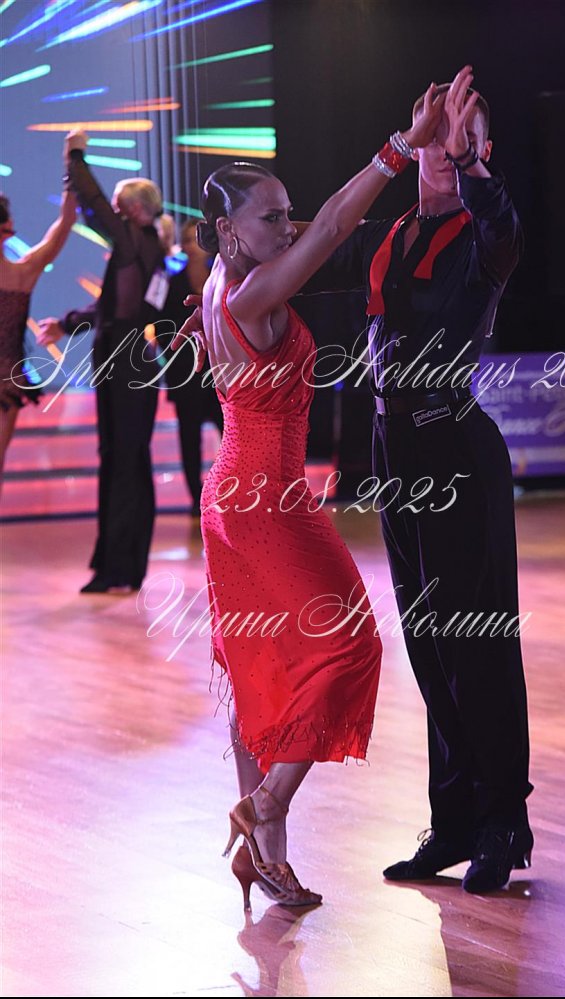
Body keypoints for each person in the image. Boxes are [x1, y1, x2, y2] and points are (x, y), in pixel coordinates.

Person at [173, 84, 445, 908]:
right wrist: (400, 147)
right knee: (352, 644)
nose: (286, 226)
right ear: (228, 230)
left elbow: (301, 242)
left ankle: (267, 854)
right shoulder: (250, 294)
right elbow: (332, 228)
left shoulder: (221, 287)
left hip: (236, 498)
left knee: (261, 668)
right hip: (266, 502)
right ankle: (265, 804)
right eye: (269, 217)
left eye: (285, 212)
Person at [298, 66, 534, 894]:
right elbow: (313, 242)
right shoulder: (393, 232)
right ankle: (455, 819)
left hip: (456, 447)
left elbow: (503, 225)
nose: (440, 151)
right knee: (429, 645)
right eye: (432, 140)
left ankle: (503, 821)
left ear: (480, 151)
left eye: (457, 142)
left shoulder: (484, 233)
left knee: (477, 644)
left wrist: (467, 164)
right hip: (394, 450)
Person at [38, 131, 167, 593]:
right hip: (127, 361)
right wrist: (65, 324)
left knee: (123, 461)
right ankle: (121, 566)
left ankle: (119, 568)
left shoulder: (136, 241)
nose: (112, 213)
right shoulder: (141, 247)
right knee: (122, 459)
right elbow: (109, 309)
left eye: (119, 206)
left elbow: (92, 206)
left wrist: (75, 154)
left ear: (134, 210)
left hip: (127, 364)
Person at [0, 167, 77, 483]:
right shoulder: (22, 273)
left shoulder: (22, 271)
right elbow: (66, 221)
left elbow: (65, 223)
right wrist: (73, 166)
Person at [160, 219, 223, 517]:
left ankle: (230, 491)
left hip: (221, 373)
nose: (191, 245)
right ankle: (197, 499)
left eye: (195, 239)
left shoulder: (221, 277)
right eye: (186, 240)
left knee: (232, 433)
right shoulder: (172, 283)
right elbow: (163, 330)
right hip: (186, 375)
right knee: (189, 438)